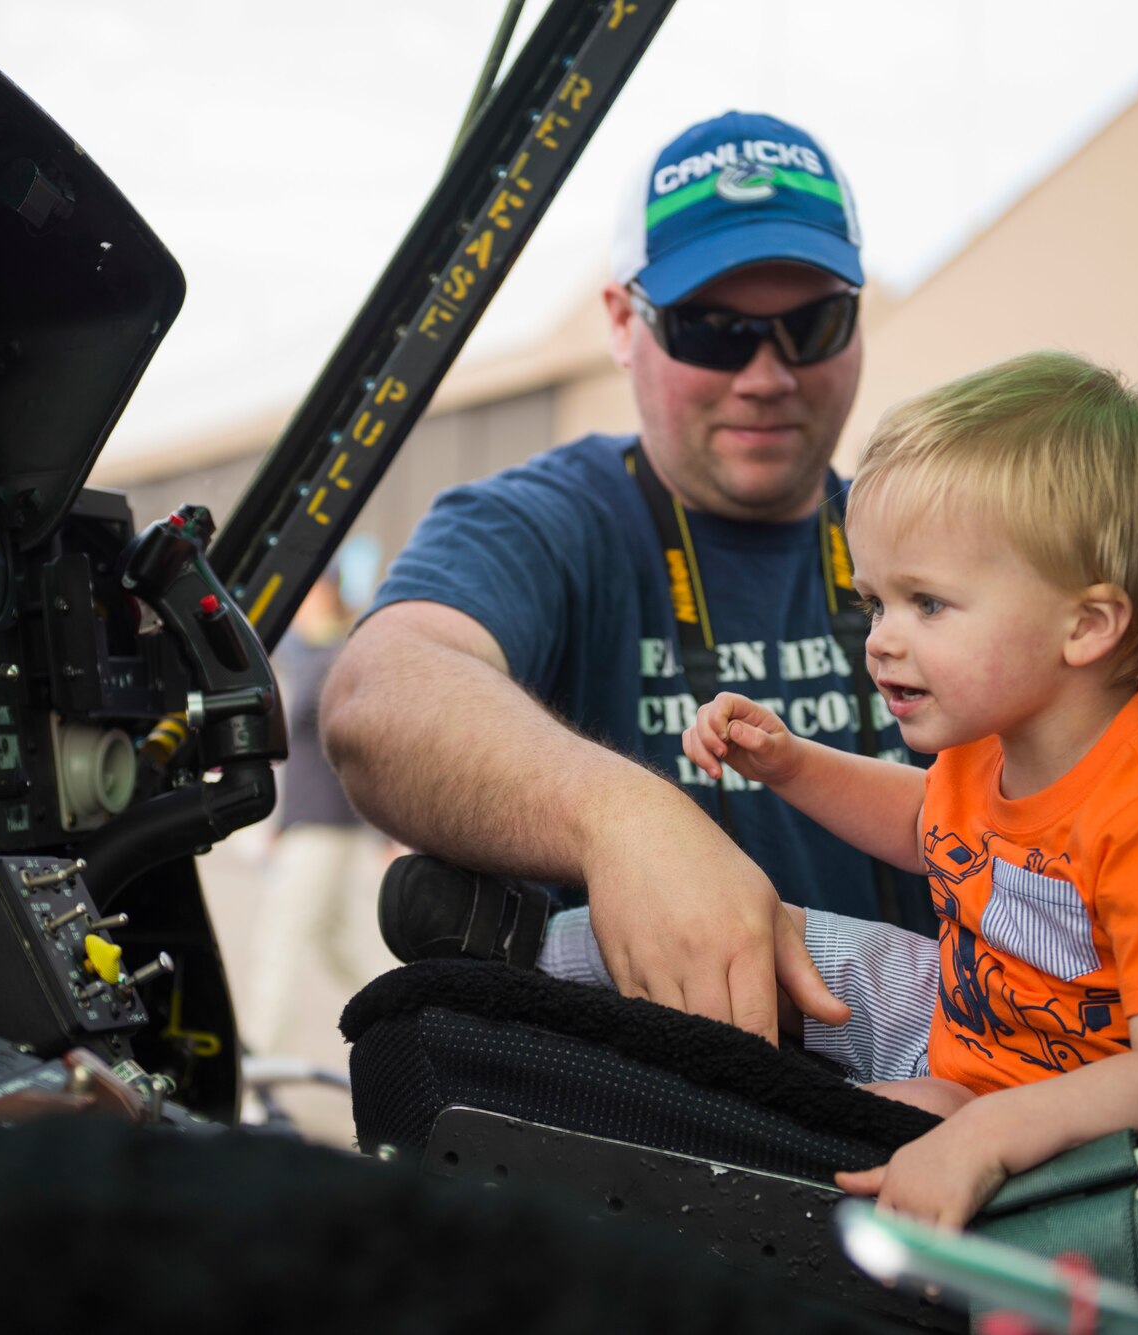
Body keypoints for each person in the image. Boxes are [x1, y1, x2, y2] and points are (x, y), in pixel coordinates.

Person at [540, 350, 1138, 1227]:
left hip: (1051, 1102)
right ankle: (519, 952)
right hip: (954, 1002)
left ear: (1086, 624)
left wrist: (992, 1130)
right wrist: (790, 762)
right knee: (748, 928)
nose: (881, 640)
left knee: (819, 1139)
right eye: (874, 603)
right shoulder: (1000, 725)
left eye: (926, 604)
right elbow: (932, 823)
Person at [322, 111, 921, 1048]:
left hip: (947, 1101)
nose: (767, 374)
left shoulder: (936, 541)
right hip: (654, 1135)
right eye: (713, 331)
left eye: (811, 324)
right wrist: (621, 816)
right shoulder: (549, 521)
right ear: (620, 321)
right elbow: (377, 692)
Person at [241, 571, 394, 1057]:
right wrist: (283, 826)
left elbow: (365, 747)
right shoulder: (302, 652)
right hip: (311, 823)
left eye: (306, 593)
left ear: (325, 593)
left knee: (278, 943)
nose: (299, 603)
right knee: (335, 943)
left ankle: (258, 1068)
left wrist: (384, 834)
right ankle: (405, 1013)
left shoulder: (340, 655)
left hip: (328, 826)